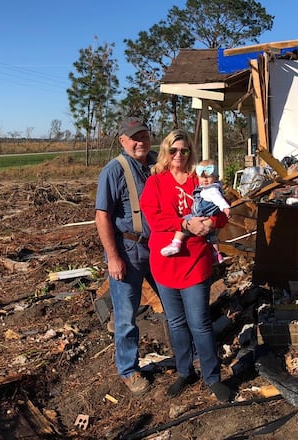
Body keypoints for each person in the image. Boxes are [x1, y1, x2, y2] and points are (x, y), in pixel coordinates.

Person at [139, 129, 231, 402]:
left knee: (200, 322)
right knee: (176, 322)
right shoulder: (155, 183)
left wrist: (209, 224)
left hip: (195, 262)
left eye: (185, 150)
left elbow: (223, 214)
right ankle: (184, 370)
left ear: (191, 152)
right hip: (165, 262)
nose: (179, 155)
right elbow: (154, 220)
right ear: (166, 152)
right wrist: (183, 223)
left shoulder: (201, 179)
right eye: (173, 150)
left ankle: (212, 377)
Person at [95, 117, 158, 396]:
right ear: (123, 141)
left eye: (143, 136)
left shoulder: (158, 164)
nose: (139, 141)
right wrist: (113, 258)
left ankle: (186, 356)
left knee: (175, 303)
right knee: (125, 316)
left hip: (160, 248)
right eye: (134, 137)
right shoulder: (113, 170)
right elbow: (102, 217)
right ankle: (128, 370)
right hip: (129, 250)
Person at [160, 158, 231, 263]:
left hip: (200, 214)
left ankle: (176, 243)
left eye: (209, 177)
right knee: (211, 236)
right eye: (202, 177)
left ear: (216, 178)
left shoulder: (211, 190)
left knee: (184, 221)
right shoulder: (210, 188)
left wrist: (225, 208)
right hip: (208, 216)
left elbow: (219, 200)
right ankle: (217, 254)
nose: (205, 180)